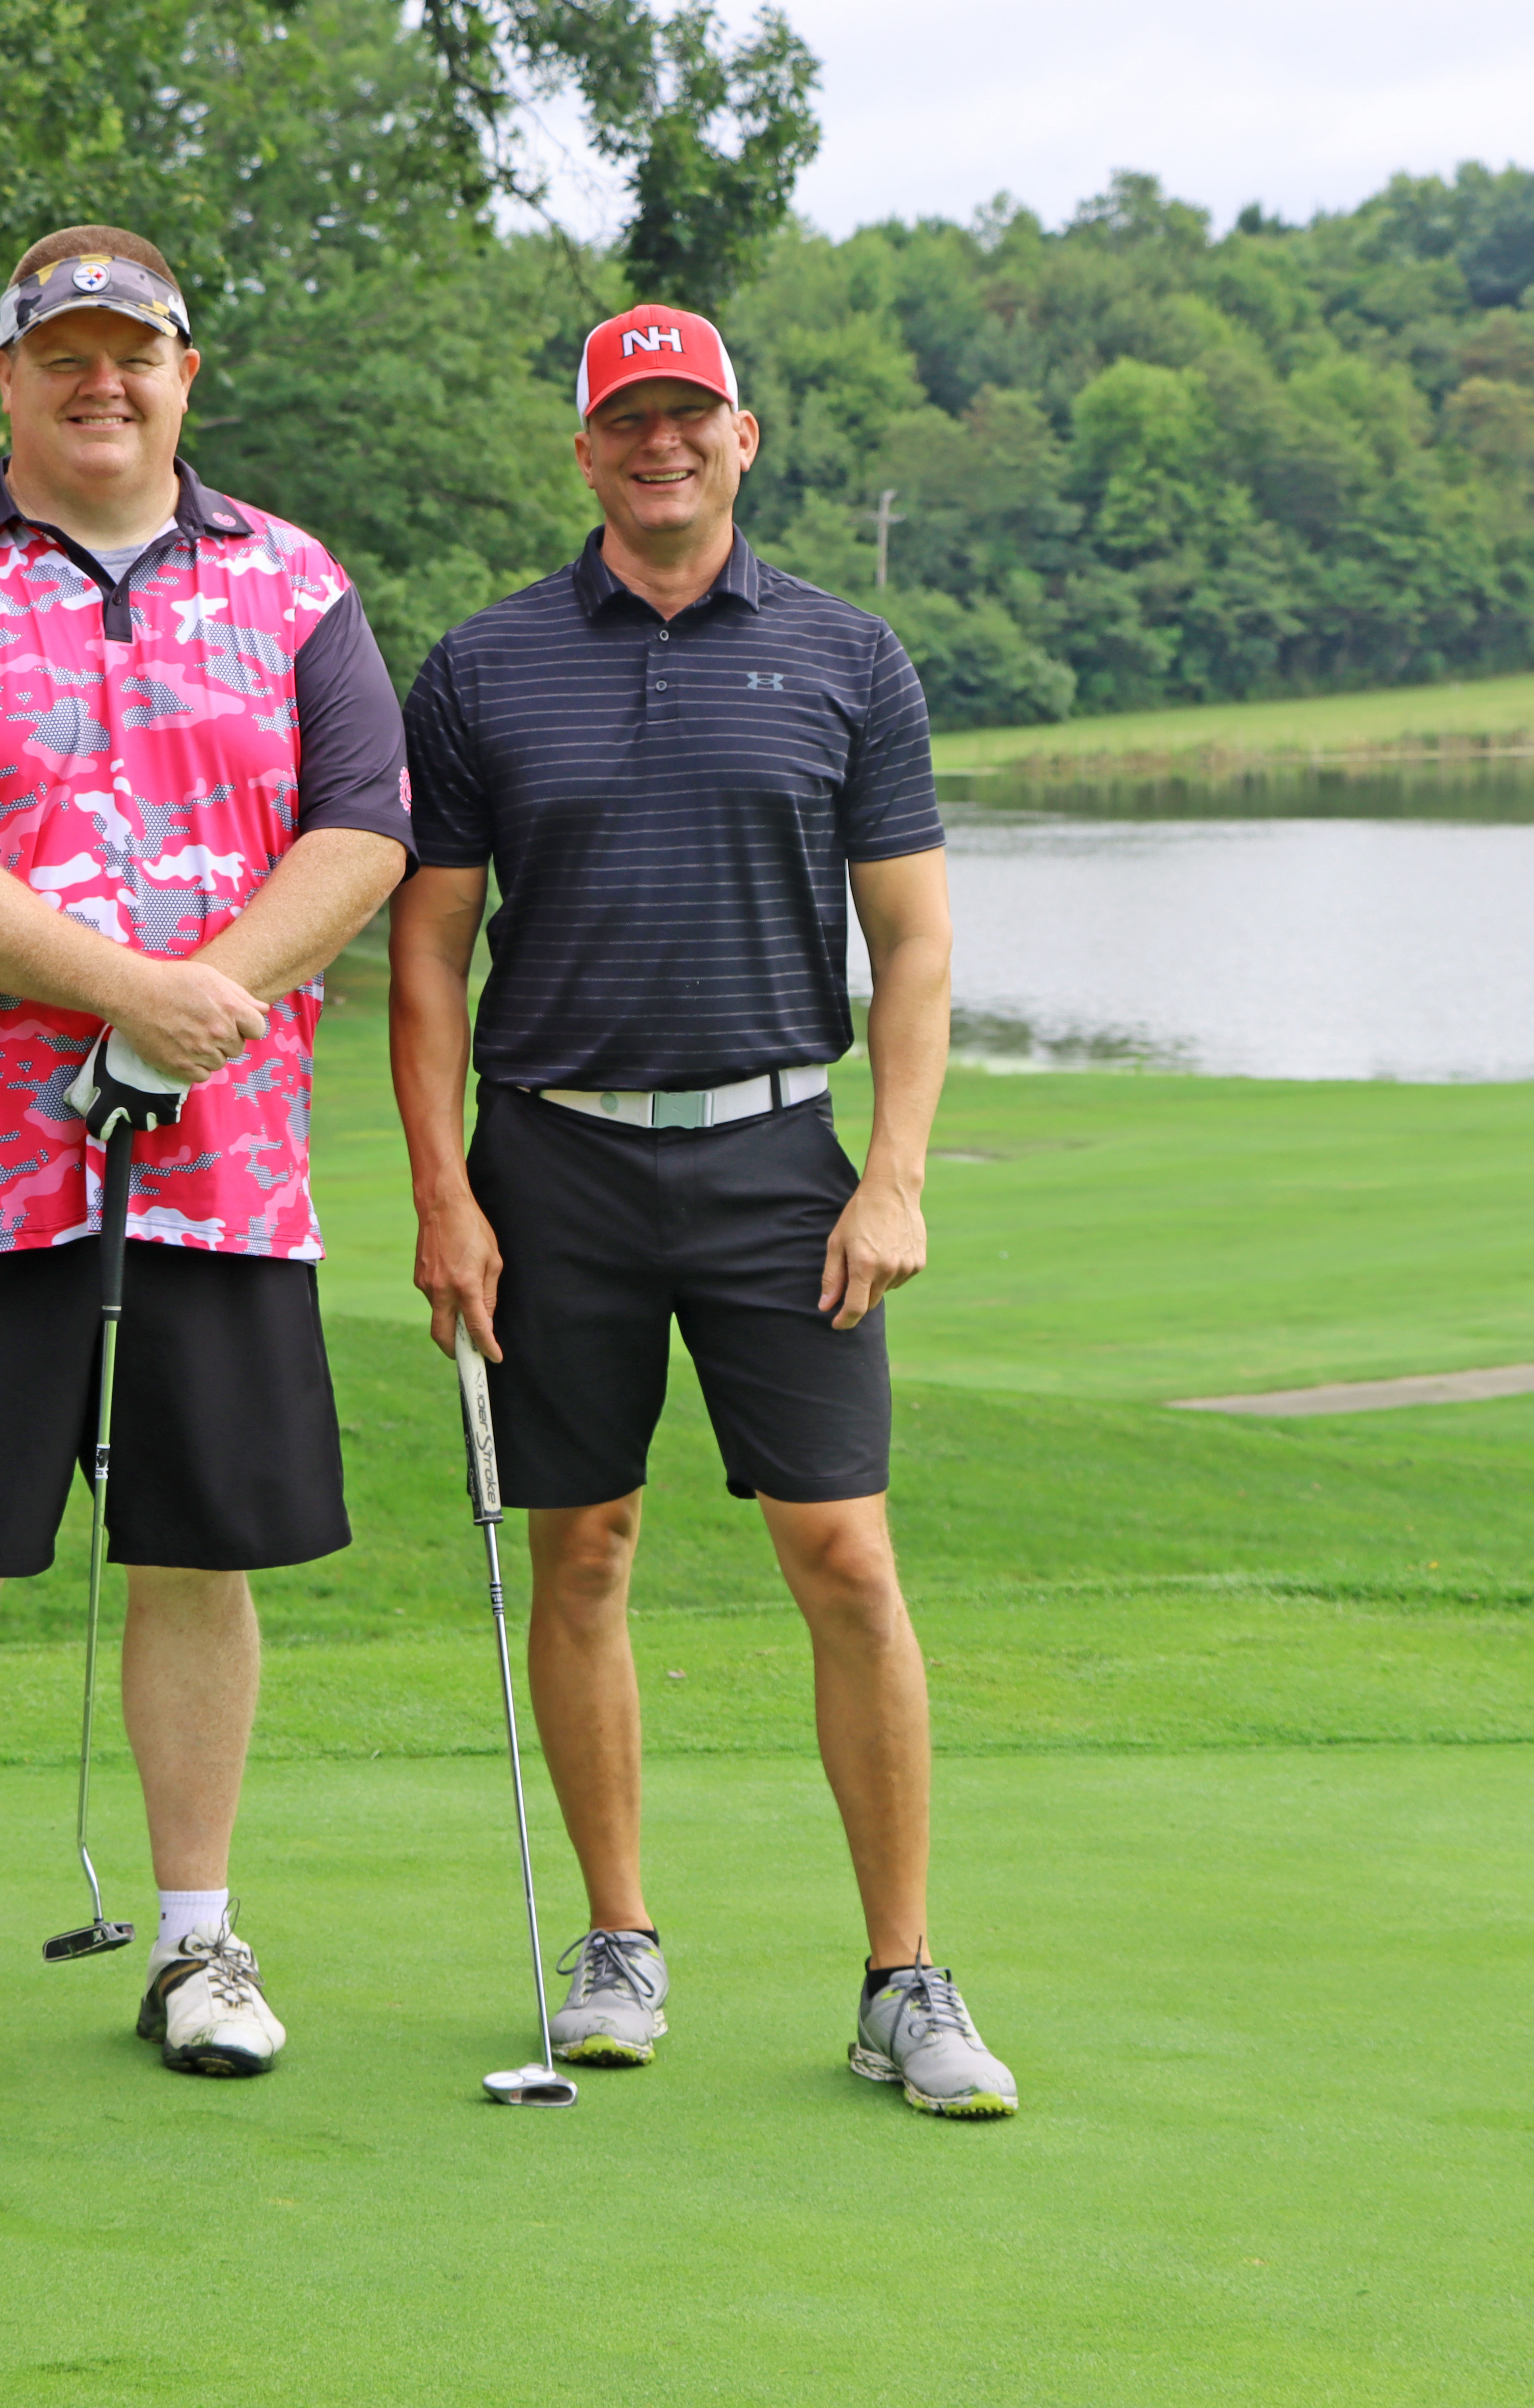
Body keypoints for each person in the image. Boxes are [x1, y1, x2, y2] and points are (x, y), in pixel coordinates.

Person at [0, 226, 409, 2079]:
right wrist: (137, 988)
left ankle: (199, 1944)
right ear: (7, 381)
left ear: (185, 373)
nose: (99, 382)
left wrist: (200, 1001)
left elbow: (364, 828)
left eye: (131, 353)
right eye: (60, 353)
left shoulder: (297, 584)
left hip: (224, 1168)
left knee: (196, 1552)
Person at [388, 304, 1019, 2117]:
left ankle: (904, 1976)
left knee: (846, 1557)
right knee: (581, 1550)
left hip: (774, 1164)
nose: (660, 444)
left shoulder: (849, 655)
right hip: (550, 1163)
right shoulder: (486, 666)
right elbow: (429, 957)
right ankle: (618, 1941)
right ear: (583, 452)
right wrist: (444, 1191)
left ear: (745, 439)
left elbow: (912, 942)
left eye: (692, 416)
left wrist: (892, 1173)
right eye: (626, 421)